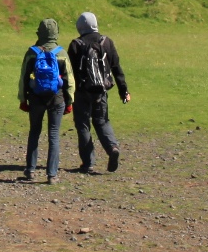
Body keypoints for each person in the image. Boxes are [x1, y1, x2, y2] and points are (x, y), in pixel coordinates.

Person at [67, 11, 131, 173]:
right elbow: (116, 68)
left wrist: (66, 94)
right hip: (101, 91)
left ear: (80, 26)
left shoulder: (76, 44)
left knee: (83, 126)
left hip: (81, 92)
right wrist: (124, 91)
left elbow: (69, 72)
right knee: (102, 121)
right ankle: (112, 148)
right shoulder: (106, 42)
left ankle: (88, 163)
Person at [18, 18, 74, 184]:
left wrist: (23, 99)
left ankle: (30, 169)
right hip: (57, 98)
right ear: (56, 33)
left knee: (34, 131)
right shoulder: (62, 53)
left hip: (35, 97)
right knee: (54, 135)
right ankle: (52, 174)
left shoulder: (31, 52)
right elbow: (70, 81)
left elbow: (23, 78)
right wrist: (69, 101)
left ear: (39, 33)